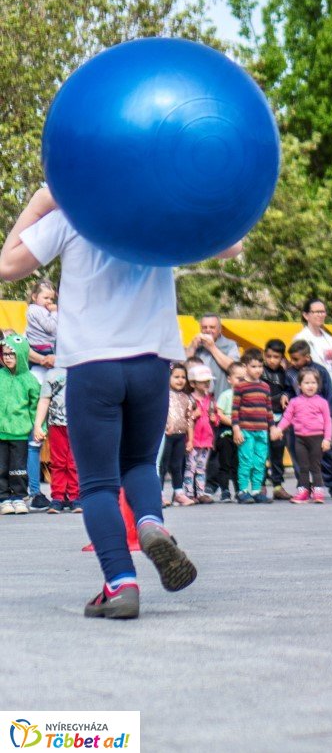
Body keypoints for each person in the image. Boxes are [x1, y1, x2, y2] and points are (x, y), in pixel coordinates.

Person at [2, 187, 225, 618]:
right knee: (140, 464)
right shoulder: (162, 209)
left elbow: (7, 266)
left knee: (99, 483)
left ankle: (120, 583)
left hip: (92, 364)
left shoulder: (75, 212)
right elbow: (229, 242)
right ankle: (151, 523)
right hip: (152, 363)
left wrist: (39, 202)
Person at [292, 299, 332, 498]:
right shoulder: (300, 339)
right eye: (315, 312)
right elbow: (297, 371)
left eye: (323, 311)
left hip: (331, 395)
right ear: (306, 315)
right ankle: (312, 485)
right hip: (310, 398)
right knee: (312, 444)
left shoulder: (330, 339)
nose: (320, 315)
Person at [191, 314, 240, 501]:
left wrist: (212, 348)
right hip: (201, 405)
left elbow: (233, 367)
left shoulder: (230, 345)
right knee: (206, 447)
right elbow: (183, 366)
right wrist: (192, 348)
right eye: (204, 327)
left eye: (212, 327)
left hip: (224, 402)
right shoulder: (196, 345)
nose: (208, 331)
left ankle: (228, 485)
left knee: (226, 448)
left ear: (219, 329)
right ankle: (208, 485)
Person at [272, 367, 332, 503]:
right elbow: (287, 417)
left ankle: (318, 491)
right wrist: (279, 429)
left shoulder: (322, 402)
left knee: (316, 466)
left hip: (317, 438)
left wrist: (327, 439)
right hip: (300, 439)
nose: (310, 386)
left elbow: (328, 422)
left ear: (318, 385)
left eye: (313, 383)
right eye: (306, 383)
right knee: (303, 466)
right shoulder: (294, 402)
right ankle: (303, 490)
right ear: (299, 385)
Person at [23, 281, 56, 509]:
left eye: (52, 299)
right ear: (34, 297)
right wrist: (44, 359)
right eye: (46, 298)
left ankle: (68, 491)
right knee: (35, 436)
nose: (49, 303)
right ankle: (34, 490)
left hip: (56, 372)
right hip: (41, 375)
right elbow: (27, 349)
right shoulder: (36, 315)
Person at [0, 335, 40, 513]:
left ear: (22, 355)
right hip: (1, 432)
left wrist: (39, 427)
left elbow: (35, 407)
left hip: (20, 432)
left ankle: (19, 496)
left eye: (12, 354)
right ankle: (3, 498)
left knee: (18, 468)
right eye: (5, 354)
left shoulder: (29, 380)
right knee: (1, 467)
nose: (8, 357)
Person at [230, 349, 274, 503]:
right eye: (254, 366)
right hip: (246, 430)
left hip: (262, 430)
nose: (258, 370)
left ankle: (256, 490)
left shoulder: (265, 387)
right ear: (246, 367)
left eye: (260, 366)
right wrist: (236, 429)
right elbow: (235, 410)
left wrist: (272, 427)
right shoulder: (241, 386)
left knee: (260, 461)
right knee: (246, 460)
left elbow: (269, 409)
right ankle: (243, 491)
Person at [31, 364, 74, 512]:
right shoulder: (52, 374)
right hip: (56, 424)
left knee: (74, 462)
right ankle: (57, 497)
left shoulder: (82, 370)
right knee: (58, 462)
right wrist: (38, 425)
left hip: (78, 424)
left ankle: (75, 497)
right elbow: (44, 400)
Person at [262, 339, 297, 500]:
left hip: (278, 419)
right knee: (261, 453)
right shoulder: (259, 371)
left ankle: (277, 485)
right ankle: (259, 485)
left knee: (277, 452)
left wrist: (286, 395)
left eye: (276, 357)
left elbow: (290, 390)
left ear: (282, 357)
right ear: (264, 355)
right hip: (261, 418)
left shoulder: (286, 374)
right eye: (269, 356)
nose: (272, 360)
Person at [161, 364, 194, 506]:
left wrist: (190, 439)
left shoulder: (186, 398)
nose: (180, 380)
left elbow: (190, 419)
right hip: (166, 435)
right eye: (176, 377)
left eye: (183, 377)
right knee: (163, 465)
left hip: (181, 436)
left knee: (177, 465)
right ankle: (159, 493)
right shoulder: (163, 395)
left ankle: (179, 493)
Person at [184, 361, 216, 505]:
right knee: (190, 467)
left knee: (201, 467)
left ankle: (201, 492)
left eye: (207, 381)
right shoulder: (189, 399)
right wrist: (193, 415)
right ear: (193, 383)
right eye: (202, 382)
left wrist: (215, 419)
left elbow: (214, 417)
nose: (206, 384)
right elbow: (185, 418)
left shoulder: (210, 400)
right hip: (194, 439)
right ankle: (188, 493)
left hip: (206, 439)